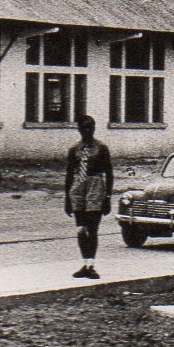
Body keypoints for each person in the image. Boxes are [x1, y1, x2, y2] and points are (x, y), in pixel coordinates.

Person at [65, 115, 114, 278]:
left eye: (91, 127)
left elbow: (109, 172)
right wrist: (67, 199)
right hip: (78, 187)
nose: (88, 130)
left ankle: (91, 265)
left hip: (95, 186)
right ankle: (84, 264)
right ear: (78, 129)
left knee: (92, 229)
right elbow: (69, 174)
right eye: (84, 127)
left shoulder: (101, 148)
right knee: (81, 230)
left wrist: (107, 198)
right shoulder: (74, 149)